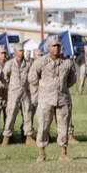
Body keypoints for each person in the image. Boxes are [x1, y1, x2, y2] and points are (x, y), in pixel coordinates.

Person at [29, 34, 76, 162]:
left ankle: (63, 153)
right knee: (43, 126)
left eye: (58, 46)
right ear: (48, 47)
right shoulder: (41, 62)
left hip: (62, 99)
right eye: (54, 46)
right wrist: (44, 88)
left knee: (63, 127)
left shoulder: (67, 62)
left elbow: (72, 79)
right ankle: (42, 152)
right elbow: (32, 77)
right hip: (46, 100)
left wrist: (62, 87)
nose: (56, 48)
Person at [1, 42, 35, 145]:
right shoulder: (10, 64)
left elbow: (32, 75)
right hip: (14, 92)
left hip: (25, 92)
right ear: (15, 52)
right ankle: (6, 137)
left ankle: (28, 136)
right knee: (11, 114)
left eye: (22, 50)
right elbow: (4, 77)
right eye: (20, 51)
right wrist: (11, 85)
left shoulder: (28, 63)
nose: (22, 52)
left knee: (27, 113)